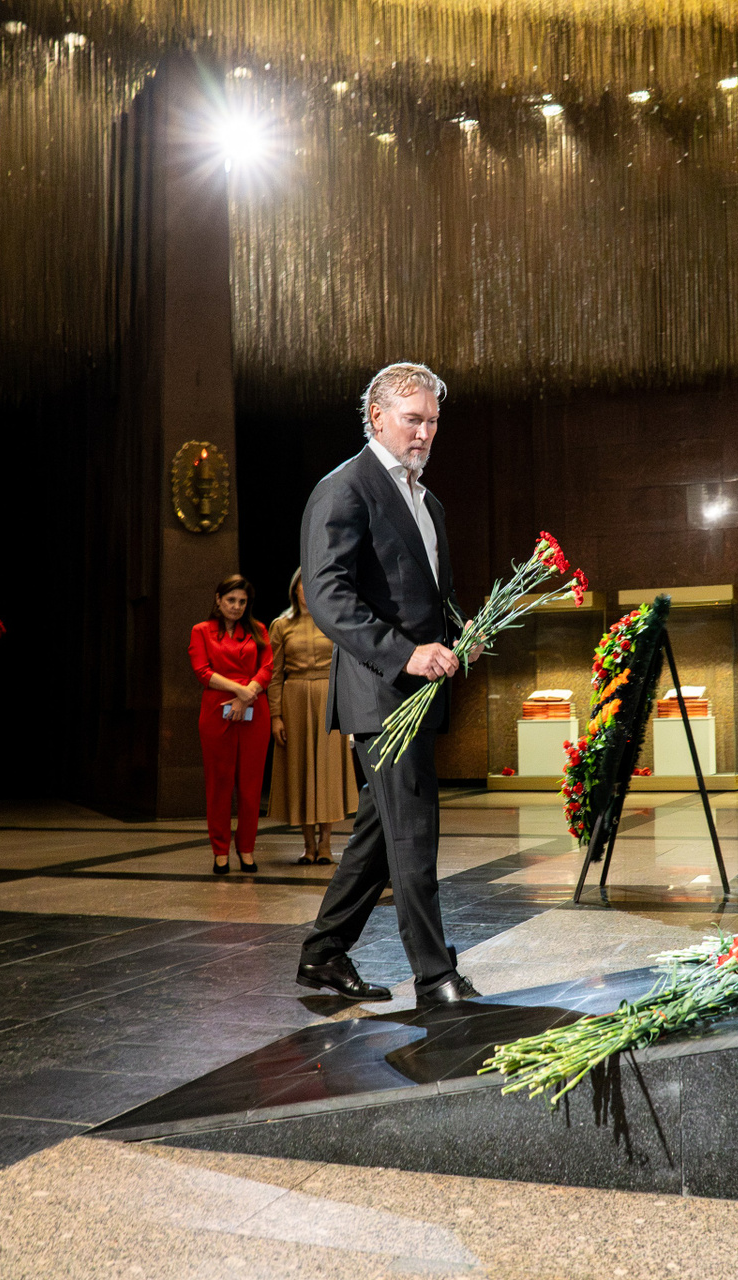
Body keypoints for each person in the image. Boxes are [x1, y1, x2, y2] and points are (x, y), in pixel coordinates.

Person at [294, 361, 477, 1008]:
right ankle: (434, 974)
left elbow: (428, 595)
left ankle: (323, 952)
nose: (425, 432)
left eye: (433, 421)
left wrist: (460, 632)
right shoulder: (344, 488)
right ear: (377, 417)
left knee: (381, 833)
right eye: (413, 419)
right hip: (381, 690)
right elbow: (329, 597)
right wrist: (406, 655)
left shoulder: (428, 501)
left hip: (420, 690)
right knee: (412, 833)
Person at [268, 569, 362, 865]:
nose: (306, 593)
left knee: (327, 772)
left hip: (328, 698)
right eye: (302, 587)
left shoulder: (332, 622)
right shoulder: (281, 625)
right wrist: (275, 716)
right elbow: (274, 674)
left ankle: (325, 844)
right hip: (294, 699)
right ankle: (307, 844)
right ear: (294, 590)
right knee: (300, 770)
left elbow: (348, 668)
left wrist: (350, 710)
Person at [188, 574, 273, 874]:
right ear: (218, 600)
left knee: (251, 787)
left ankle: (247, 848)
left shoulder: (258, 630)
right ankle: (220, 850)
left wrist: (248, 695)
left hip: (254, 712)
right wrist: (240, 690)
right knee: (219, 784)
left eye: (242, 601)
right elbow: (202, 670)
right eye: (231, 600)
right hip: (217, 711)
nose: (236, 606)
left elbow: (267, 668)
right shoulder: (201, 631)